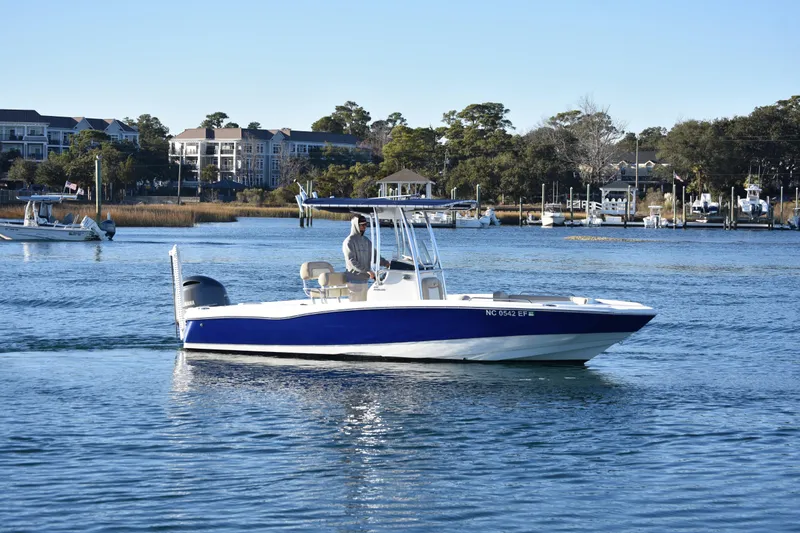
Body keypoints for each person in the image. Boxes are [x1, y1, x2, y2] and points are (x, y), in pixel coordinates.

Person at [342, 215, 390, 282]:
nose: (365, 227)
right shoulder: (348, 242)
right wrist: (367, 271)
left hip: (364, 280)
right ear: (356, 225)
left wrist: (386, 263)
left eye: (366, 224)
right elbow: (351, 261)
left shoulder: (366, 241)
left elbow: (375, 256)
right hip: (353, 280)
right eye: (362, 225)